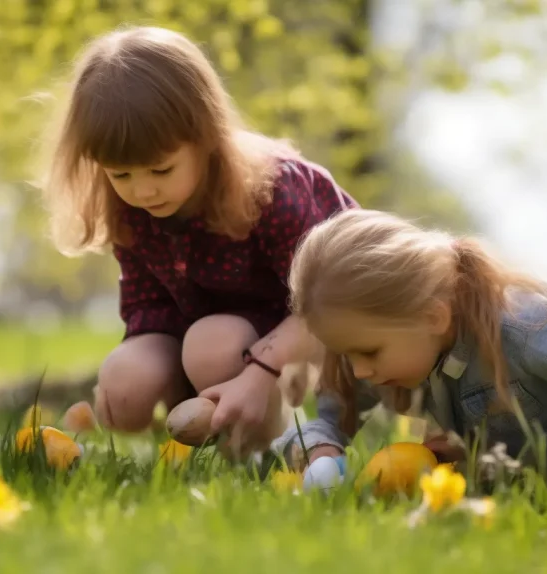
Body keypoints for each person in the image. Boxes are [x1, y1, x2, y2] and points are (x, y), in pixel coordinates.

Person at [34, 25, 357, 456]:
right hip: (202, 340)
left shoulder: (273, 190)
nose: (143, 191)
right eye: (121, 175)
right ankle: (193, 445)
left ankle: (261, 444)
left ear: (206, 137)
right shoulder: (129, 205)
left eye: (161, 170)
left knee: (213, 344)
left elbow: (327, 305)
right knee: (127, 379)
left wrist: (260, 371)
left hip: (304, 333)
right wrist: (131, 382)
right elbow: (149, 305)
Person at [272, 209, 547, 502]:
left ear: (433, 317)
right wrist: (320, 452)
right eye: (346, 354)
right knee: (495, 476)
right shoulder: (394, 342)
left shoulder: (527, 333)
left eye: (367, 352)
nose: (359, 370)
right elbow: (330, 416)